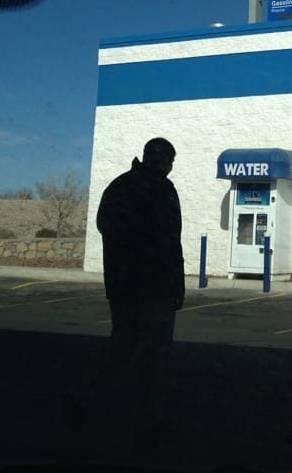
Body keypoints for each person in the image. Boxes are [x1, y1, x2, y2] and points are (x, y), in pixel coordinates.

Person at [94, 136, 185, 431]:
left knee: (120, 346)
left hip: (121, 285)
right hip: (155, 287)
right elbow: (171, 243)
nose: (171, 167)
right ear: (163, 160)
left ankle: (97, 408)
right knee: (154, 356)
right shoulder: (162, 190)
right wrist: (176, 287)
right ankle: (148, 420)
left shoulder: (118, 187)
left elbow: (104, 227)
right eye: (170, 161)